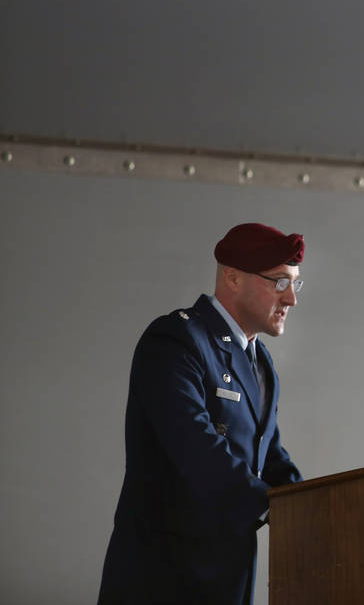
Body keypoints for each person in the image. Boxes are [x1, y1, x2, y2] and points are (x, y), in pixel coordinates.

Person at [99, 223, 305, 605]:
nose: (291, 298)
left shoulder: (259, 361)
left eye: (295, 284)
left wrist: (313, 505)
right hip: (163, 578)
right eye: (280, 283)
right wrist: (272, 506)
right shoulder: (177, 340)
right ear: (233, 278)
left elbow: (269, 453)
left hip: (226, 577)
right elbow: (195, 445)